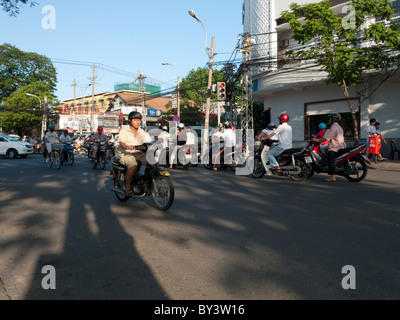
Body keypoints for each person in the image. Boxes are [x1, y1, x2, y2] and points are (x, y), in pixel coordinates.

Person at [118, 111, 151, 194]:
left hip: (138, 153)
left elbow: (147, 142)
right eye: (135, 120)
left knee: (152, 163)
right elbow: (122, 143)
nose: (138, 122)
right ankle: (127, 186)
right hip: (126, 153)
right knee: (133, 165)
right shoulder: (124, 130)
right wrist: (128, 146)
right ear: (130, 120)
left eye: (139, 120)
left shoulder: (142, 132)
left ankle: (147, 183)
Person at [312, 113, 345, 182]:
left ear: (333, 119)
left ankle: (332, 177)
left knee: (330, 161)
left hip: (334, 147)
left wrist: (317, 140)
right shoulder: (339, 127)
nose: (329, 120)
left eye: (330, 118)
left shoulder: (333, 127)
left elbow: (326, 138)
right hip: (340, 146)